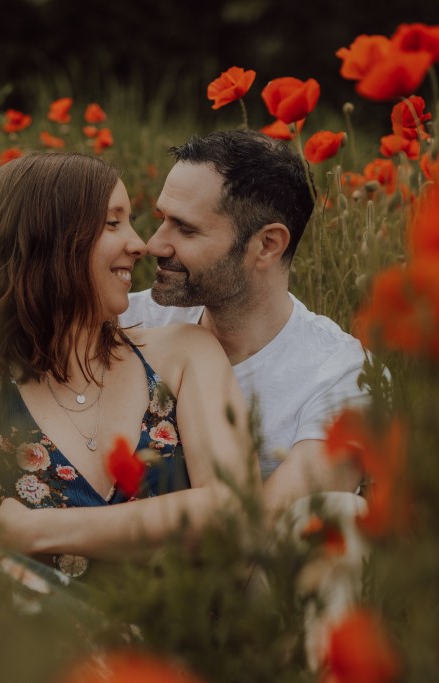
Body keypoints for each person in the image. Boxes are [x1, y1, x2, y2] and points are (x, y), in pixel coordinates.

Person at [0, 151, 261, 576]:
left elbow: (236, 511)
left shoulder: (184, 353)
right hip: (33, 629)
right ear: (48, 238)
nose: (139, 243)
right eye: (113, 223)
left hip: (171, 634)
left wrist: (36, 530)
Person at [119, 130, 368, 526]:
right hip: (100, 569)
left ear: (268, 245)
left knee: (343, 516)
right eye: (162, 219)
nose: (153, 244)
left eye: (185, 229)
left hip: (238, 580)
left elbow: (252, 531)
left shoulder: (344, 378)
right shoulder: (122, 320)